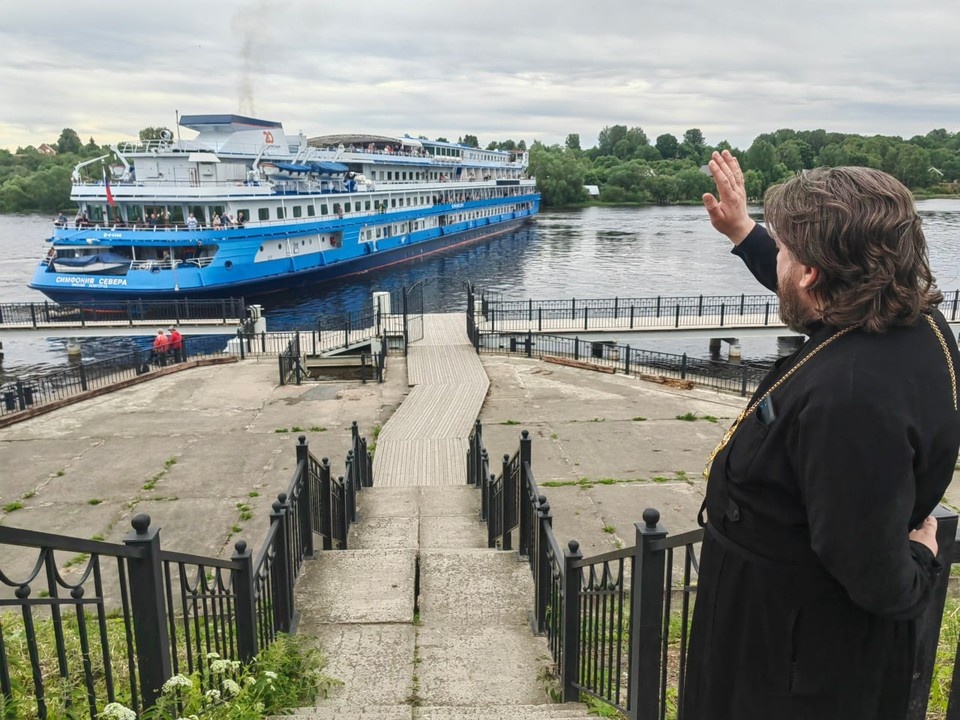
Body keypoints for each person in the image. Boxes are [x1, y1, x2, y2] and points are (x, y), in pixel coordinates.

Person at [682, 150, 960, 720]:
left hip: (792, 659)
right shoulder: (901, 314)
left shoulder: (851, 398)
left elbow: (875, 571)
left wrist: (922, 561)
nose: (777, 257)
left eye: (783, 249)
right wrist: (744, 232)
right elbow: (810, 298)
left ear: (811, 273)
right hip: (782, 624)